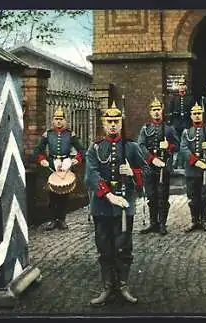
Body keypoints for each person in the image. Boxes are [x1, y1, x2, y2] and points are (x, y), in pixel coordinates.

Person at [85, 102, 146, 306]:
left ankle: (122, 285)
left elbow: (146, 171)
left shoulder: (131, 147)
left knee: (123, 247)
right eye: (109, 121)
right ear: (103, 123)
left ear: (121, 123)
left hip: (123, 207)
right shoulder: (95, 148)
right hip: (102, 206)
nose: (112, 125)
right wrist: (109, 195)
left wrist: (133, 173)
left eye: (116, 121)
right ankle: (107, 287)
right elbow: (91, 176)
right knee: (104, 247)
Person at [31, 106, 85, 231]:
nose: (59, 121)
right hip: (51, 165)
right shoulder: (48, 134)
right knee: (52, 194)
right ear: (53, 120)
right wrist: (42, 160)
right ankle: (52, 220)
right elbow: (37, 150)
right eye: (56, 119)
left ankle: (61, 220)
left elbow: (82, 150)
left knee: (64, 194)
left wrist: (77, 158)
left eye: (61, 119)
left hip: (66, 164)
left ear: (65, 120)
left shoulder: (70, 134)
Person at [137, 97, 179, 235]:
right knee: (151, 195)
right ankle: (153, 223)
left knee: (162, 196)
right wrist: (151, 159)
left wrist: (169, 147)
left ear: (162, 111)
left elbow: (177, 145)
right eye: (153, 110)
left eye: (158, 110)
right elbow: (141, 146)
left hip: (163, 168)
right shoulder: (145, 129)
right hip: (149, 168)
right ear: (150, 112)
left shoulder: (169, 129)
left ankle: (162, 224)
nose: (156, 112)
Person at [180, 102, 206, 232]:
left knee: (205, 197)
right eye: (195, 114)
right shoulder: (187, 132)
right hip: (192, 170)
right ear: (191, 116)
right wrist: (194, 161)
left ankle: (204, 221)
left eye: (199, 114)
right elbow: (183, 148)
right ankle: (194, 221)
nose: (197, 116)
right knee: (193, 197)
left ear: (202, 115)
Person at [167, 75, 195, 168]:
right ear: (178, 86)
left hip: (186, 123)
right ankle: (176, 162)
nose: (181, 86)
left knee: (185, 143)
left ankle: (184, 162)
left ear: (186, 86)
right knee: (176, 143)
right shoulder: (174, 98)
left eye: (183, 84)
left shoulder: (190, 98)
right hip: (176, 123)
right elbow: (170, 111)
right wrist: (170, 124)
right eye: (180, 85)